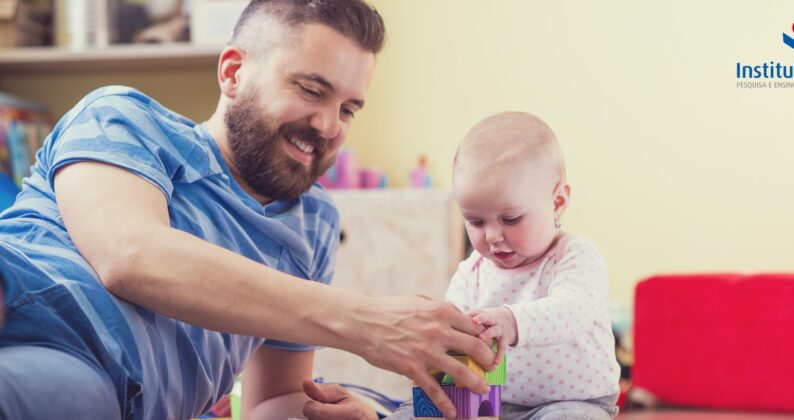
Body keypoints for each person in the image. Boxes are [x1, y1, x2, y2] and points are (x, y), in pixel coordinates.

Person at [0, 1, 494, 419]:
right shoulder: (124, 118)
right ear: (234, 72)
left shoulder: (312, 222)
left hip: (96, 384)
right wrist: (366, 322)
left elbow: (272, 400)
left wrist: (324, 411)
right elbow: (130, 256)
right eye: (311, 90)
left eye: (347, 110)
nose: (328, 126)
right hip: (21, 298)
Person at [390, 112, 620, 420]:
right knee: (416, 412)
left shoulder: (575, 257)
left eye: (510, 219)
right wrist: (439, 335)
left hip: (572, 402)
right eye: (475, 221)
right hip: (484, 399)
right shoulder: (471, 271)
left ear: (557, 203)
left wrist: (511, 322)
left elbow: (571, 311)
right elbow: (454, 331)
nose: (493, 236)